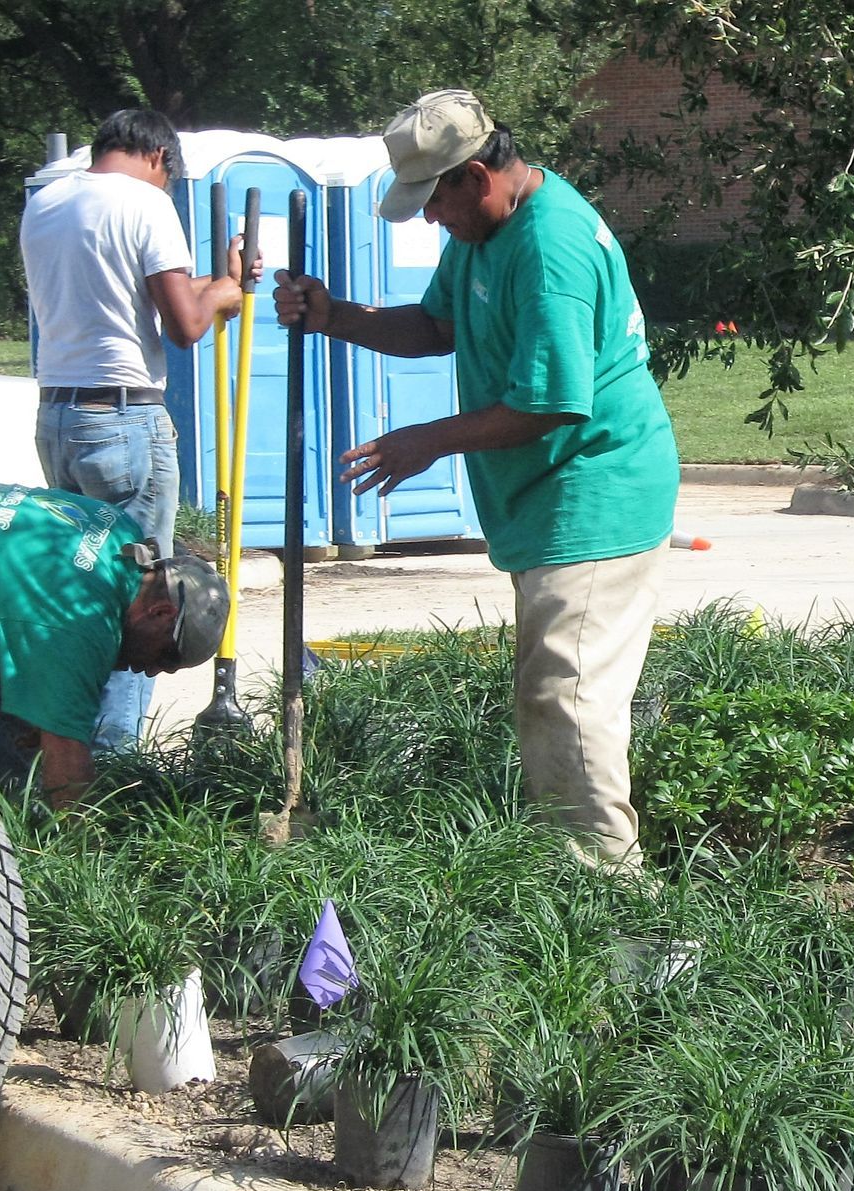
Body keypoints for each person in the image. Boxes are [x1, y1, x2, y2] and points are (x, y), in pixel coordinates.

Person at [273, 88, 680, 869]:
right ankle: (566, 876)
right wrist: (335, 315)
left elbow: (552, 404)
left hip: (595, 489)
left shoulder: (549, 247)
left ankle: (611, 905)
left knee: (567, 698)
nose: (431, 220)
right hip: (548, 497)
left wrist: (427, 439)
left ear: (478, 175)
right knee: (554, 694)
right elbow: (437, 327)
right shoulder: (484, 231)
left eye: (436, 201)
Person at [20, 107, 248, 752]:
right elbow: (185, 326)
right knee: (146, 599)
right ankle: (116, 763)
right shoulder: (146, 205)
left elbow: (128, 301)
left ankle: (67, 749)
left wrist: (217, 285)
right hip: (124, 419)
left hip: (61, 416)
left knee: (85, 588)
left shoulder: (48, 203)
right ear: (159, 159)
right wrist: (228, 286)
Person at [0, 480, 230, 809]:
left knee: (7, 733)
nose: (151, 670)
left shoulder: (121, 532)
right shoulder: (76, 622)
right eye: (167, 656)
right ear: (161, 613)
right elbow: (68, 766)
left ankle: (10, 815)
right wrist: (82, 854)